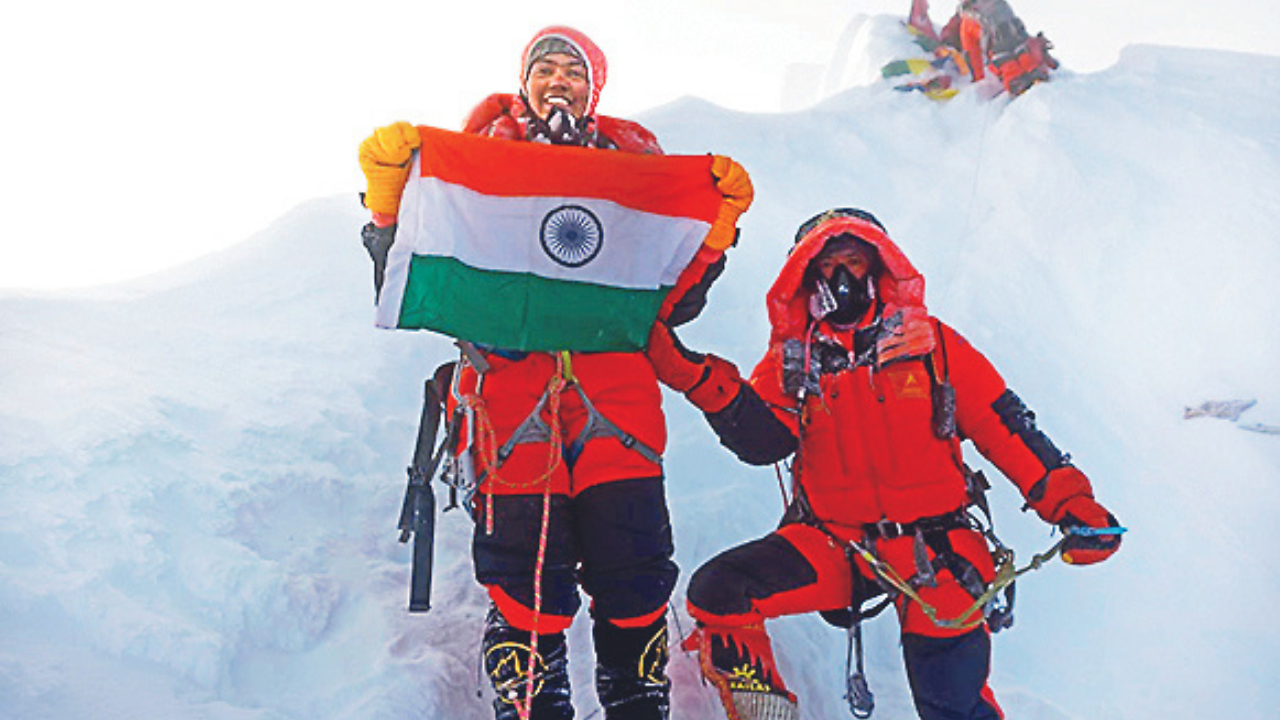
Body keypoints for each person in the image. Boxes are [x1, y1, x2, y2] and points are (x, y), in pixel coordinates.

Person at [357, 26, 752, 720]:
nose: (558, 80)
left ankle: (638, 699)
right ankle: (533, 702)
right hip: (510, 404)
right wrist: (389, 203)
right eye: (545, 69)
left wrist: (712, 236)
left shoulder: (636, 175)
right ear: (525, 84)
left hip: (617, 404)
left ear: (593, 91)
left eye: (574, 70)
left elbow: (670, 301)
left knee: (635, 569)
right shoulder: (475, 172)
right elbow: (413, 277)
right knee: (525, 577)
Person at [645, 208, 1122, 720]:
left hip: (936, 550)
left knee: (951, 702)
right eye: (828, 264)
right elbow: (763, 442)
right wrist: (701, 381)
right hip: (836, 543)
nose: (842, 276)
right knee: (720, 592)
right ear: (806, 275)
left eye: (853, 260)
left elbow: (1005, 426)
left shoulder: (932, 346)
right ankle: (765, 710)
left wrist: (1072, 504)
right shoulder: (793, 360)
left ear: (878, 267)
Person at [936, 0, 1059, 95]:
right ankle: (1033, 71)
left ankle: (1016, 80)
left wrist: (978, 79)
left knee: (1006, 62)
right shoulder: (998, 4)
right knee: (1020, 51)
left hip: (996, 45)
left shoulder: (967, 21)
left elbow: (972, 54)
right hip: (1016, 37)